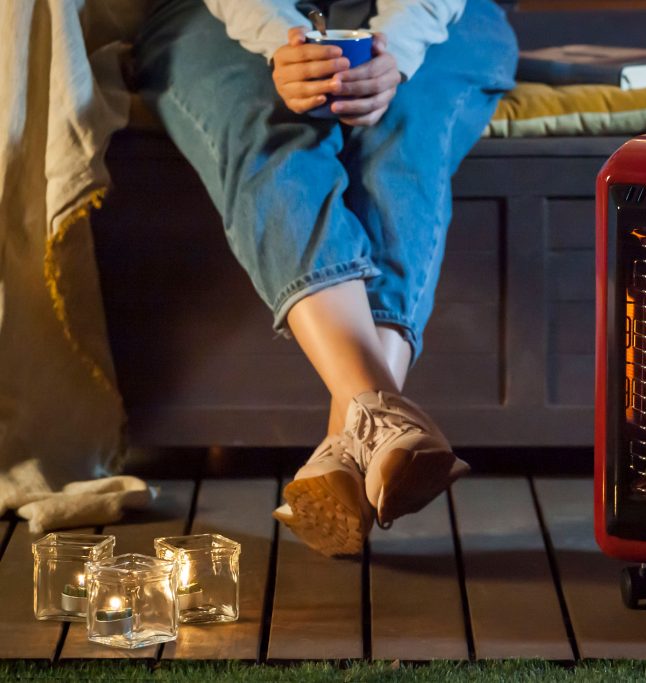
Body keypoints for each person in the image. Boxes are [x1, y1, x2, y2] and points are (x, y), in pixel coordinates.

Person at [132, 0, 518, 556]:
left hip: (445, 14)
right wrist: (281, 41)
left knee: (402, 137)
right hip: (220, 15)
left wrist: (397, 48)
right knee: (266, 128)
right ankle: (379, 420)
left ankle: (350, 443)